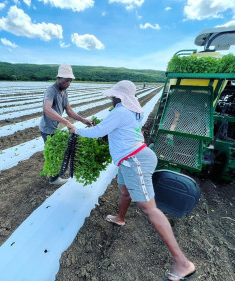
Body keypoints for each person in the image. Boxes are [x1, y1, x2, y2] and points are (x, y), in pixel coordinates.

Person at [68, 80, 196, 281]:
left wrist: (74, 129)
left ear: (119, 96)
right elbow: (116, 132)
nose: (111, 98)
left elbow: (96, 133)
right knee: (124, 191)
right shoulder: (133, 111)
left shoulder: (120, 111)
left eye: (114, 95)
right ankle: (120, 218)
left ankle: (182, 263)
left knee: (148, 208)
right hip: (129, 159)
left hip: (135, 160)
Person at [39, 64, 92, 185]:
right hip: (47, 128)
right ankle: (53, 179)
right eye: (66, 80)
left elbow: (69, 110)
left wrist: (83, 120)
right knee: (53, 152)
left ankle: (52, 173)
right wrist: (66, 122)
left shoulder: (64, 92)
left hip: (55, 127)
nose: (69, 83)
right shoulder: (51, 90)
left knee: (55, 151)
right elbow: (47, 108)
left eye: (70, 81)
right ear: (59, 78)